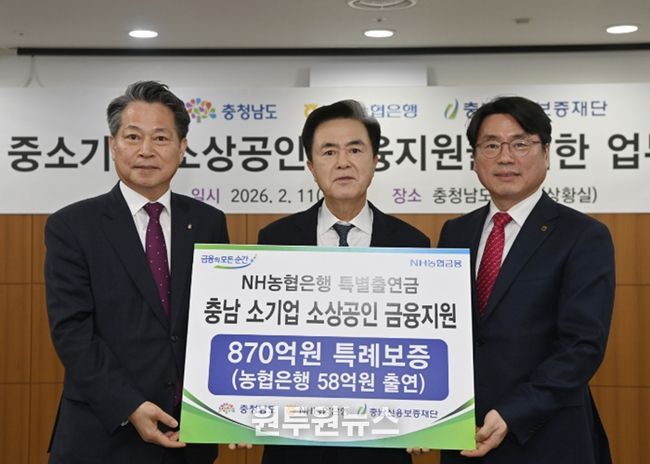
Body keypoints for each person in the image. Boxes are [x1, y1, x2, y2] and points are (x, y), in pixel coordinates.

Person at [44, 81, 229, 463]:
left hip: (187, 436)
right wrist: (130, 406)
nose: (146, 150)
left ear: (182, 147)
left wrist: (234, 407)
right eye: (133, 137)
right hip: (101, 434)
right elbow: (72, 332)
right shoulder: (72, 226)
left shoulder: (208, 222)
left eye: (161, 138)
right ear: (112, 145)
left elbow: (221, 321)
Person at [437, 96, 614, 463]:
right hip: (463, 433)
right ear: (474, 158)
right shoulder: (455, 232)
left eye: (520, 144)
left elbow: (581, 346)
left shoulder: (583, 235)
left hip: (546, 435)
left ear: (546, 153)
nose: (505, 158)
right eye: (491, 145)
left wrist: (512, 413)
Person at [257, 99, 430, 464]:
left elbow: (424, 344)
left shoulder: (413, 244)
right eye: (328, 151)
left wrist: (426, 418)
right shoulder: (275, 239)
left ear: (375, 160)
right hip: (295, 439)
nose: (342, 162)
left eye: (355, 149)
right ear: (311, 165)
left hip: (383, 439)